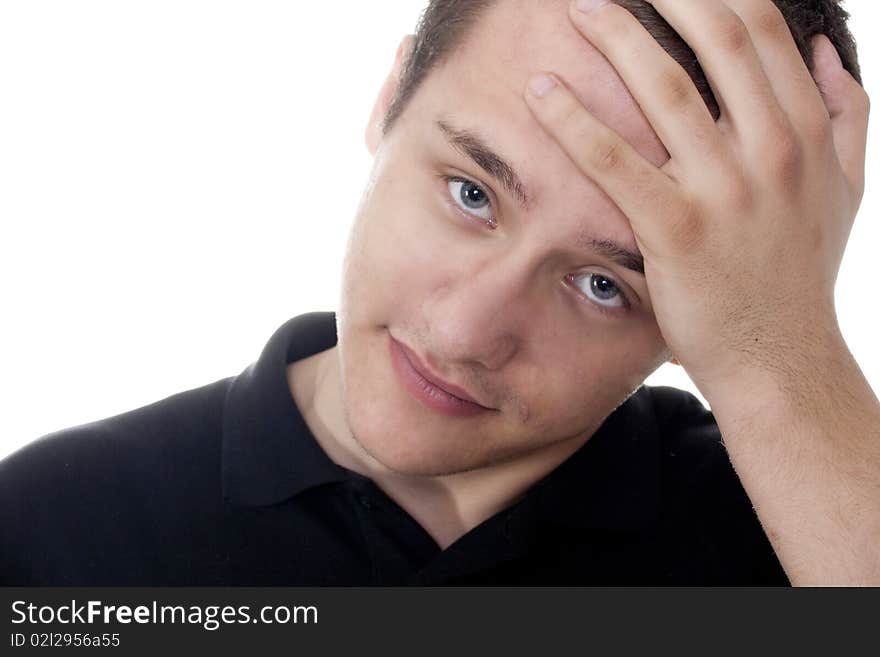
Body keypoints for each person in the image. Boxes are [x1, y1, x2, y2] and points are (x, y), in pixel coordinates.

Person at [1, 0, 876, 585]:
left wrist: (782, 358)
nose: (463, 334)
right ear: (393, 96)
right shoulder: (52, 527)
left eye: (604, 284)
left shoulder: (792, 541)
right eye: (472, 193)